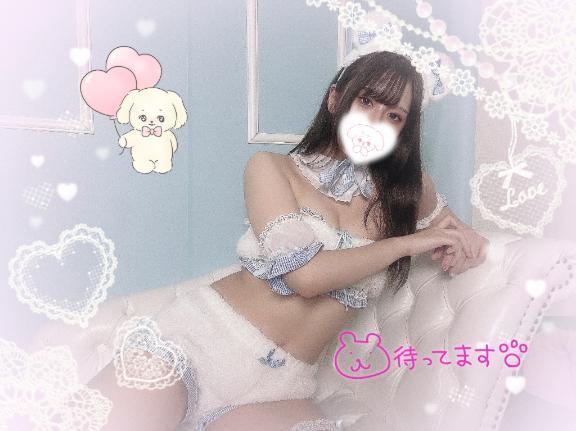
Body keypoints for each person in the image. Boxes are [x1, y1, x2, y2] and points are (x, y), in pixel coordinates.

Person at [87, 50, 489, 431]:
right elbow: (305, 278)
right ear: (335, 98)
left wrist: (462, 245)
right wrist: (405, 243)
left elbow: (459, 237)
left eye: (394, 115)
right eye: (366, 101)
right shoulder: (271, 169)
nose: (375, 121)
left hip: (280, 390)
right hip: (195, 347)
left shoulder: (407, 193)